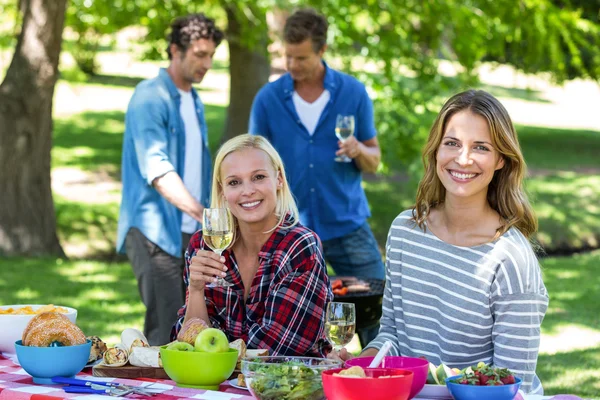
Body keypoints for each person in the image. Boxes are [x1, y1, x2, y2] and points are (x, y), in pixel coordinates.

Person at [333, 90, 549, 395]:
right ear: (436, 150)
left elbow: (513, 384)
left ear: (501, 159)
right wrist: (362, 364)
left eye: (481, 147)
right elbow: (393, 336)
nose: (463, 159)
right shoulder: (405, 232)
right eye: (452, 143)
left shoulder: (510, 258)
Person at [248, 9, 385, 282]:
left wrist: (358, 150)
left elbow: (374, 159)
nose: (292, 64)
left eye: (301, 58)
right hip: (289, 228)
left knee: (377, 301)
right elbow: (251, 163)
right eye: (287, 56)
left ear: (322, 50)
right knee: (292, 315)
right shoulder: (268, 99)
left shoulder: (353, 93)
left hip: (346, 224)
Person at [171, 134, 332, 357]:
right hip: (218, 389)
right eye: (234, 182)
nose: (247, 191)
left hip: (289, 387)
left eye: (258, 177)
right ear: (222, 191)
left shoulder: (299, 247)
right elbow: (187, 345)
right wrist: (196, 290)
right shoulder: (205, 245)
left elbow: (277, 348)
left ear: (279, 180)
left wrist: (213, 348)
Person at [116, 14, 224, 346]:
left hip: (187, 231)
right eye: (199, 55)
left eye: (211, 56)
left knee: (193, 327)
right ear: (175, 51)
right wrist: (205, 215)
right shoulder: (151, 97)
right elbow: (158, 171)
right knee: (166, 330)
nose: (206, 63)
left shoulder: (193, 100)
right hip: (153, 231)